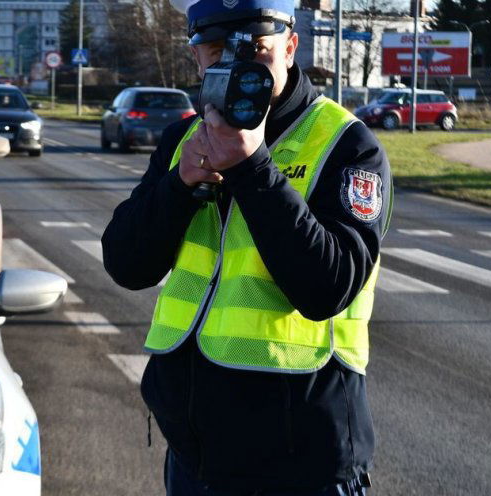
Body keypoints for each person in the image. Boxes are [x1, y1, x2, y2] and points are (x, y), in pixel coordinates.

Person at [101, 0, 392, 494]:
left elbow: (328, 287)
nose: (234, 68)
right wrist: (180, 183)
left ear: (291, 46)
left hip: (300, 468)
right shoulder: (183, 139)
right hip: (195, 461)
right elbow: (126, 264)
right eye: (216, 53)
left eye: (256, 50)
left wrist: (252, 167)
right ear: (195, 58)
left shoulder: (347, 144)